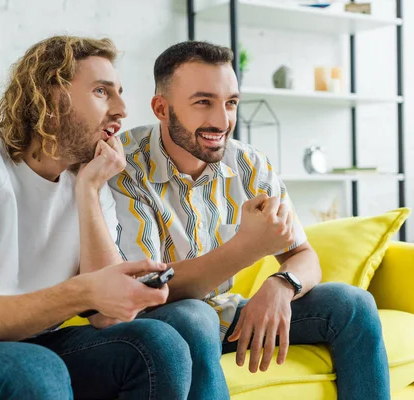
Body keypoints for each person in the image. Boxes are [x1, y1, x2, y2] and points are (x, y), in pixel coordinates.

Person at [0, 35, 226, 400]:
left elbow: (107, 318)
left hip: (33, 345)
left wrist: (89, 192)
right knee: (34, 367)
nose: (122, 109)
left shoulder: (89, 178)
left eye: (119, 92)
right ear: (51, 98)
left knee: (158, 344)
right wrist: (81, 291)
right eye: (102, 92)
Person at [110, 40, 390, 400]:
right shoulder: (125, 167)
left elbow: (304, 256)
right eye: (203, 102)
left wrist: (281, 285)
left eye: (231, 103)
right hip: (163, 324)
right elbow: (147, 291)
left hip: (226, 315)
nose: (222, 120)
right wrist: (249, 248)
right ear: (161, 108)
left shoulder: (249, 164)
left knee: (353, 305)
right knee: (194, 316)